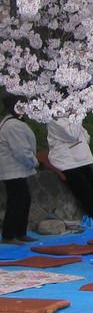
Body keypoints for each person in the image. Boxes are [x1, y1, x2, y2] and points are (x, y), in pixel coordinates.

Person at [47, 116, 93, 222]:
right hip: (66, 161)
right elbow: (72, 134)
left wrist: (81, 142)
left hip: (80, 157)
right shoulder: (54, 120)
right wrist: (77, 117)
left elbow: (83, 133)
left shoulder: (70, 117)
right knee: (84, 190)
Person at [0, 93, 38, 244]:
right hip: (13, 170)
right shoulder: (13, 125)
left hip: (14, 169)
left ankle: (19, 232)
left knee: (23, 200)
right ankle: (10, 234)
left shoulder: (11, 123)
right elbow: (21, 150)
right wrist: (33, 162)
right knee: (18, 201)